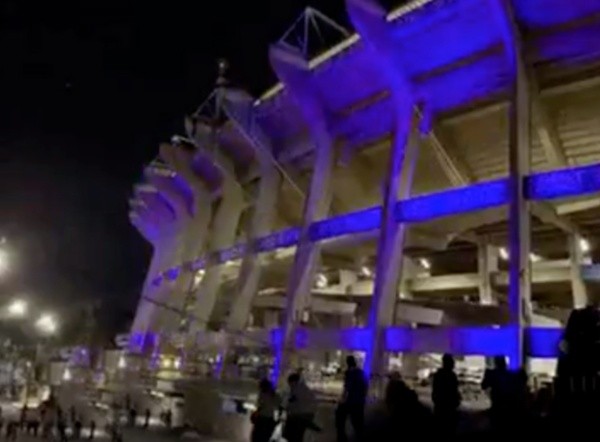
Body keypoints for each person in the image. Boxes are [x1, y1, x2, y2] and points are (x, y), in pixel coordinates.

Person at [335, 355, 367, 442]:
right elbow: (365, 386)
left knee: (340, 417)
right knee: (358, 422)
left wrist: (342, 399)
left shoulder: (350, 372)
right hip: (360, 402)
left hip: (351, 401)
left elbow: (347, 388)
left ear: (347, 362)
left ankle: (341, 437)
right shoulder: (360, 372)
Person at [481, 355, 514, 433]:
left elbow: (484, 385)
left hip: (498, 404)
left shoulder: (494, 373)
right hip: (507, 405)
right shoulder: (509, 374)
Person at [431, 354, 461, 434]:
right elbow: (454, 391)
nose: (453, 364)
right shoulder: (451, 376)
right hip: (448, 407)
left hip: (441, 406)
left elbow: (435, 391)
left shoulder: (438, 375)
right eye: (452, 362)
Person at [283, 373, 317, 442]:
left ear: (293, 382)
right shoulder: (304, 388)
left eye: (290, 383)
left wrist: (285, 408)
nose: (289, 385)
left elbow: (291, 402)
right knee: (298, 434)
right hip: (307, 415)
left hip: (300, 416)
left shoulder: (297, 389)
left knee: (293, 435)